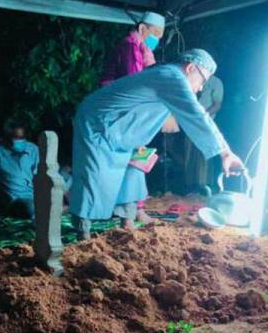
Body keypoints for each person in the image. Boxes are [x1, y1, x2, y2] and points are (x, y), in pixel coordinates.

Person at [70, 49, 244, 239]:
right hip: (98, 123)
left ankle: (126, 222)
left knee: (132, 171)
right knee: (94, 176)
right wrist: (225, 153)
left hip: (123, 132)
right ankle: (83, 233)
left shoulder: (169, 79)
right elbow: (197, 115)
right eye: (203, 80)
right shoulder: (172, 77)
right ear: (190, 68)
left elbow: (175, 119)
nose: (202, 87)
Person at [101, 11, 169, 225]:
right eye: (155, 34)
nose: (157, 40)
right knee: (131, 161)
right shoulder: (130, 46)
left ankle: (136, 209)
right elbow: (135, 84)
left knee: (138, 158)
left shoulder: (140, 48)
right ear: (142, 29)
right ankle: (127, 216)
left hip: (126, 111)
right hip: (118, 112)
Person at [0, 118, 39, 220]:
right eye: (15, 137)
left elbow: (40, 177)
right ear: (8, 137)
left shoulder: (33, 149)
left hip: (33, 195)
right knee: (30, 208)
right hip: (13, 200)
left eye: (21, 137)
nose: (18, 141)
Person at [184, 74, 225, 191]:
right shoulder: (191, 79)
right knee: (189, 154)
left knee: (204, 154)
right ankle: (190, 185)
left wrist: (203, 116)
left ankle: (204, 185)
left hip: (206, 124)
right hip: (190, 123)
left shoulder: (216, 82)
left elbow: (217, 104)